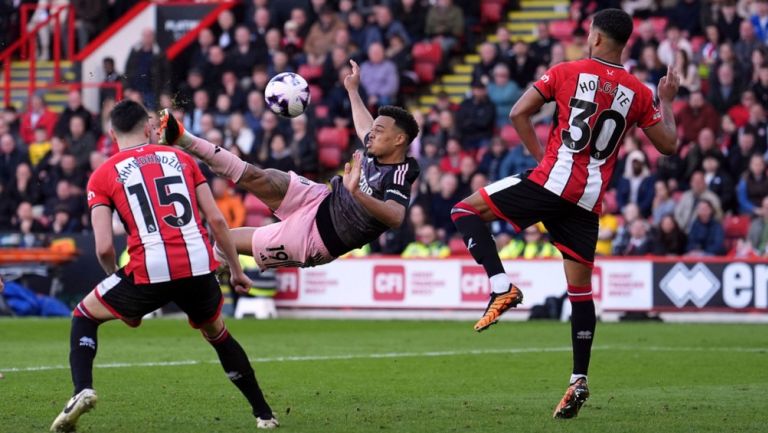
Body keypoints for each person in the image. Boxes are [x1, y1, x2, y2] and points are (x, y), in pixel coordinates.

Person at [450, 9, 678, 419]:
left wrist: (541, 160)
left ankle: (502, 286)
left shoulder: (566, 70)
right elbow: (669, 144)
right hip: (587, 202)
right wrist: (667, 100)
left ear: (594, 37)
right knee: (580, 293)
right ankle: (578, 379)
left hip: (551, 181)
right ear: (623, 43)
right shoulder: (639, 93)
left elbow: (518, 113)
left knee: (463, 210)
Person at [50, 100, 278, 432]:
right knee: (217, 334)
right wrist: (237, 270)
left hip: (149, 268)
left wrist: (117, 281)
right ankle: (264, 414)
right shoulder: (183, 158)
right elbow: (216, 220)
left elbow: (102, 247)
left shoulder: (102, 175)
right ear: (148, 128)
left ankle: (82, 389)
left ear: (112, 133)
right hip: (199, 265)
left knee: (84, 316)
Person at [158, 59, 420, 271]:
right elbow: (364, 124)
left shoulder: (400, 173)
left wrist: (356, 193)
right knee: (259, 175)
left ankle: (216, 267)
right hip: (320, 198)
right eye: (373, 130)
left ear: (399, 140)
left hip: (315, 239)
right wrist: (352, 90)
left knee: (226, 238)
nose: (370, 134)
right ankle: (183, 137)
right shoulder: (375, 147)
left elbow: (396, 217)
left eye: (379, 131)